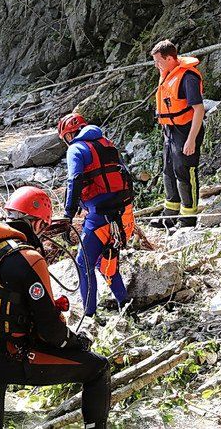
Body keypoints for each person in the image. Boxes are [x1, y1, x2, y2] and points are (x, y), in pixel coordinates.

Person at [0, 186, 111, 428]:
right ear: (37, 224)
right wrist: (76, 342)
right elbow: (51, 332)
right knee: (98, 368)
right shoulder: (27, 259)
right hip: (10, 356)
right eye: (44, 226)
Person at [58, 113, 135, 318]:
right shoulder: (107, 144)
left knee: (83, 263)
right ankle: (126, 306)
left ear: (69, 135)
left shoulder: (76, 149)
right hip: (124, 214)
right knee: (106, 260)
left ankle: (89, 315)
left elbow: (74, 180)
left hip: (100, 217)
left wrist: (68, 215)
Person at [151, 39, 205, 227]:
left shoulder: (188, 77)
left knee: (185, 171)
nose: (156, 65)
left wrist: (191, 140)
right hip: (170, 130)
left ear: (169, 59)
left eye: (158, 61)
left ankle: (188, 217)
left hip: (187, 130)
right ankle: (170, 214)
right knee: (168, 170)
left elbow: (199, 110)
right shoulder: (167, 73)